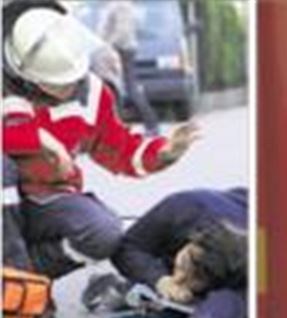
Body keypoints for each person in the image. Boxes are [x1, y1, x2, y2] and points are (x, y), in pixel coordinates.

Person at [2, 6, 198, 289]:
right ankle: (14, 286)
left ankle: (26, 281)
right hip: (6, 201)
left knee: (104, 232)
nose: (69, 86)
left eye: (73, 77)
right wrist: (41, 139)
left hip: (49, 200)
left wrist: (163, 152)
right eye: (57, 83)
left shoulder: (93, 94)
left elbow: (119, 149)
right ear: (24, 73)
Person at [108, 188, 249, 318]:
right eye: (184, 265)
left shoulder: (257, 269)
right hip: (222, 207)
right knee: (156, 272)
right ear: (193, 240)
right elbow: (127, 247)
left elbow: (238, 301)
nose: (178, 277)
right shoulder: (179, 208)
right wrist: (158, 279)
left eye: (193, 278)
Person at [97, 0, 159, 135]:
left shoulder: (121, 5)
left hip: (121, 50)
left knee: (126, 88)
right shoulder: (119, 5)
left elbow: (122, 32)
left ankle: (151, 124)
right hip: (121, 50)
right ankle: (116, 126)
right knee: (121, 88)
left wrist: (108, 46)